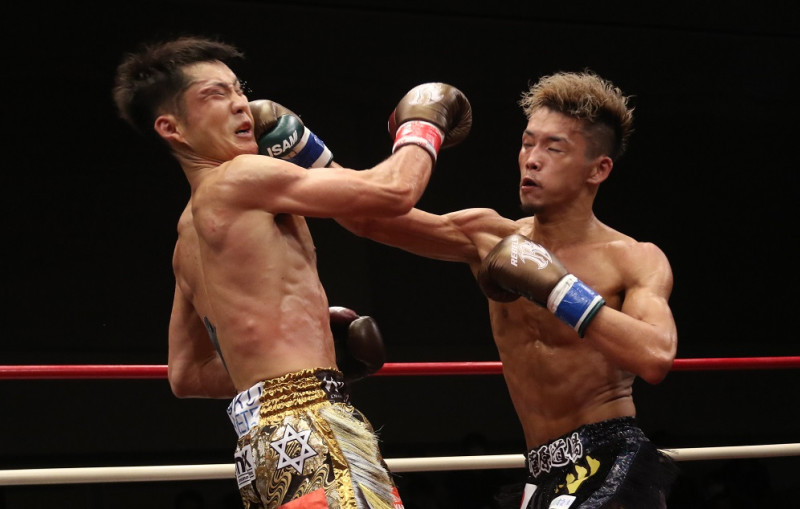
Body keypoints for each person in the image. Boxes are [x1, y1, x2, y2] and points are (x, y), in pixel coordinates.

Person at [111, 34, 471, 509]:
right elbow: (391, 193)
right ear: (171, 127)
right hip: (314, 426)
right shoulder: (240, 177)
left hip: (259, 446)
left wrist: (298, 357)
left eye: (238, 89)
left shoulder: (186, 238)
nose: (241, 104)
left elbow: (188, 374)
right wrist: (423, 124)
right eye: (215, 95)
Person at [335, 70, 679, 508]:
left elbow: (655, 356)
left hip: (608, 457)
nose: (532, 159)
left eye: (553, 148)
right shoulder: (488, 237)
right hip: (539, 469)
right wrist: (300, 148)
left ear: (599, 169)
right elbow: (367, 217)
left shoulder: (633, 258)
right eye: (527, 143)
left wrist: (558, 289)